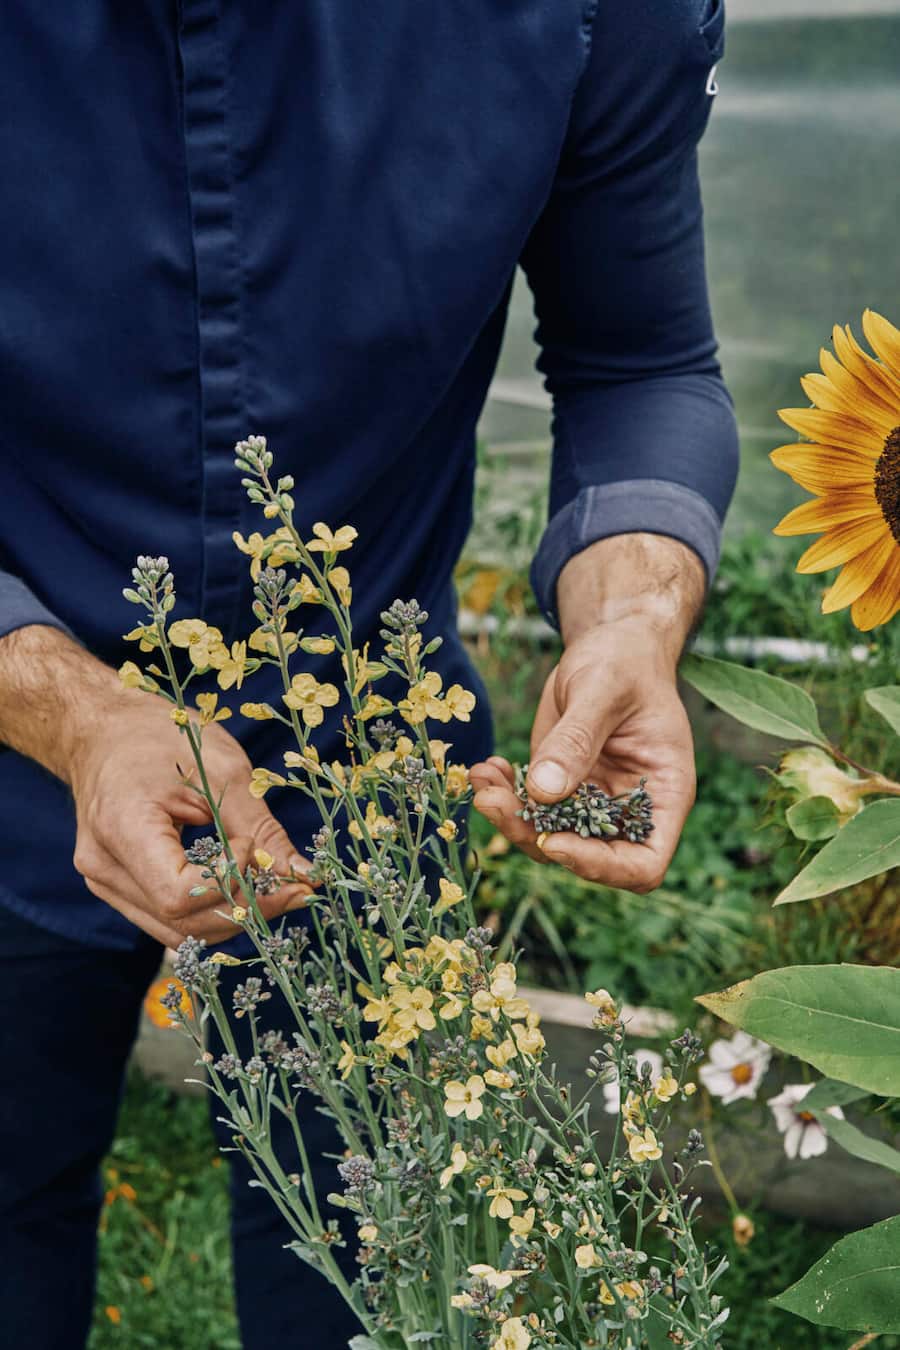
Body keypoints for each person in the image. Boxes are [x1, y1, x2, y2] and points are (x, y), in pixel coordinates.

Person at [0, 2, 737, 1346]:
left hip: (373, 788)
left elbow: (639, 359)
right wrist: (68, 710)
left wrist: (632, 613)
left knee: (369, 1272)